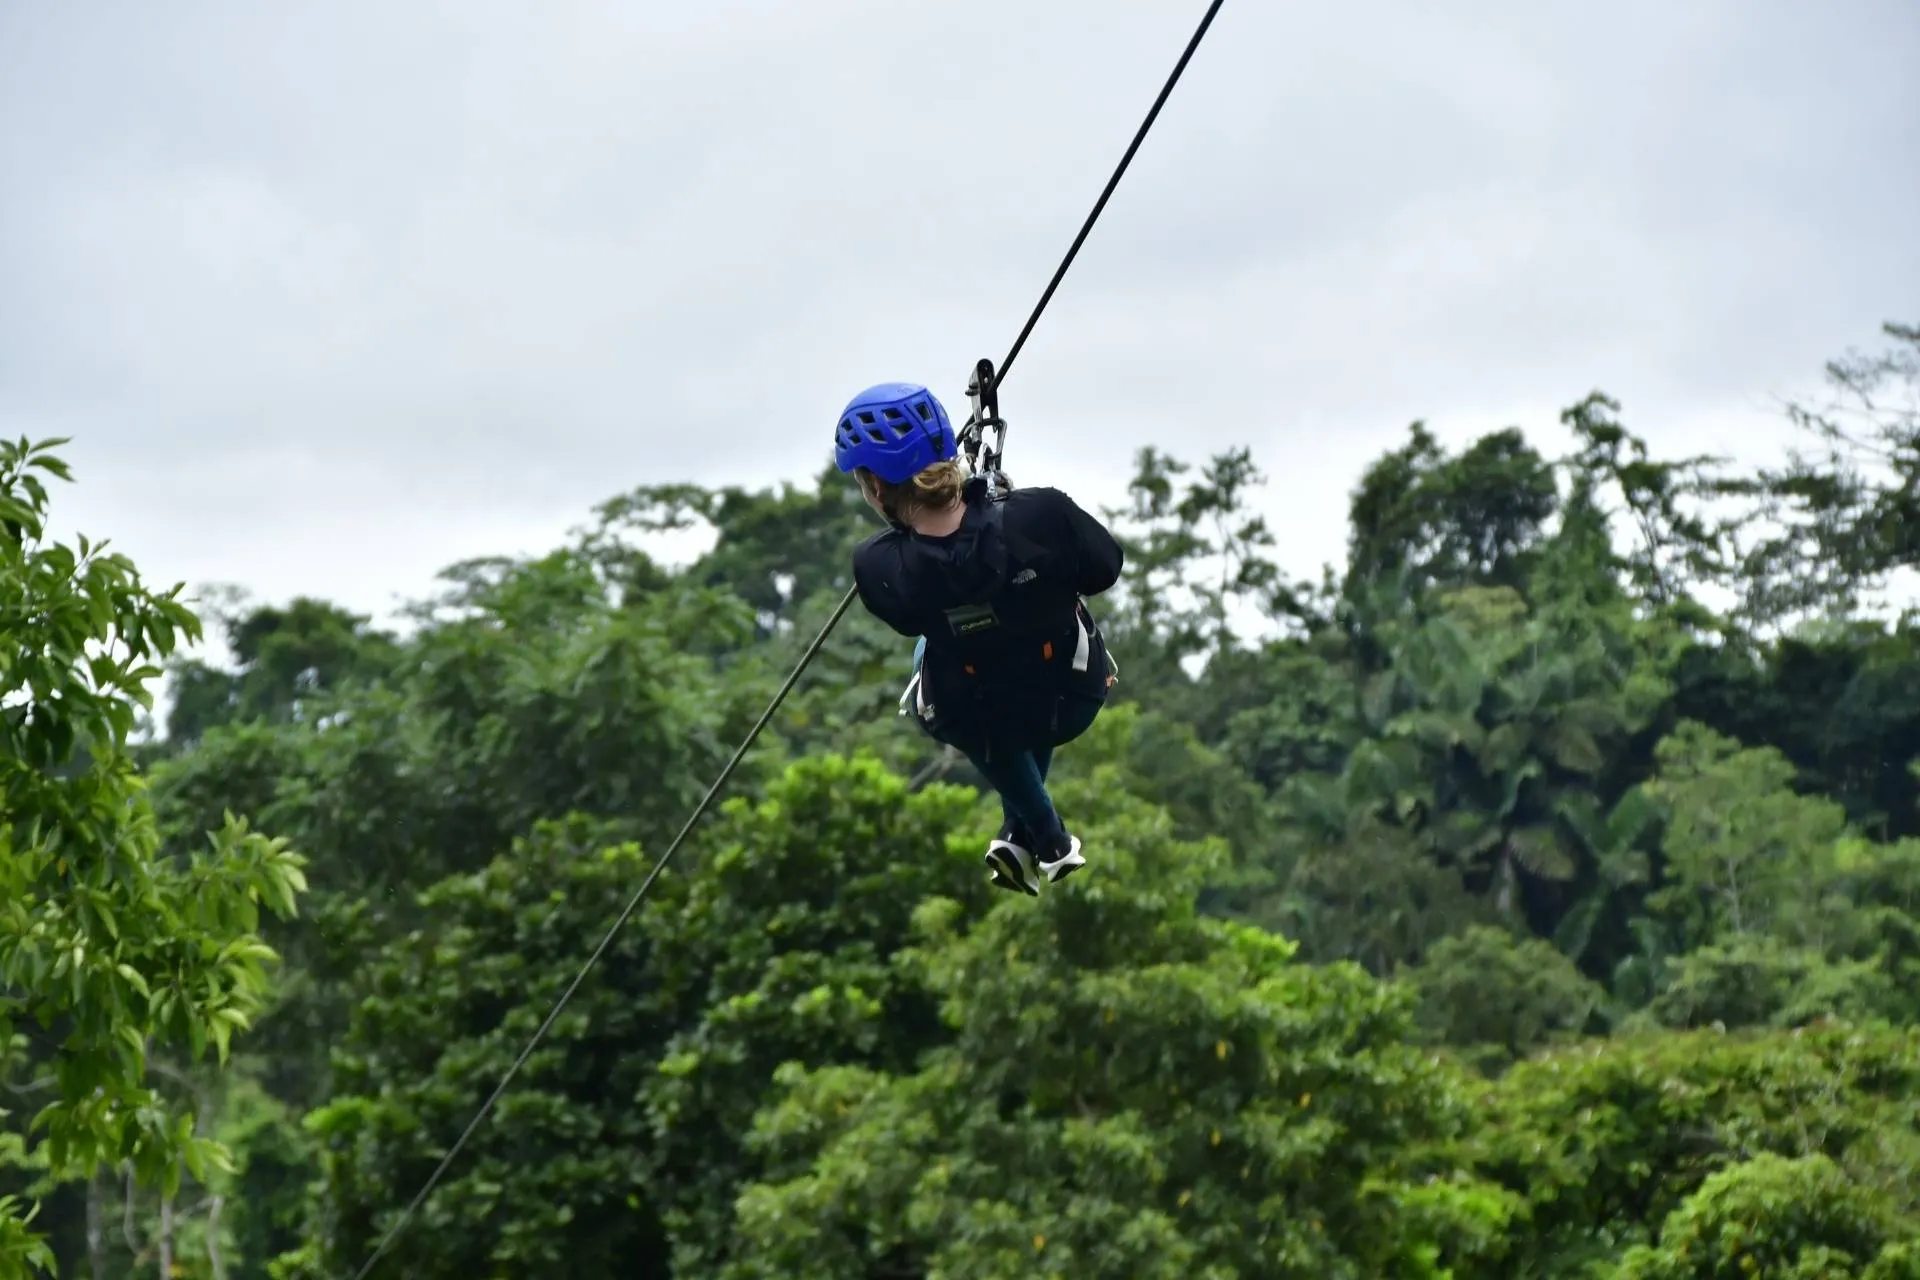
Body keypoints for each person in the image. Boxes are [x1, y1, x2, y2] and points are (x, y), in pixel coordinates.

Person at [834, 380, 1124, 895]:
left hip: (974, 716)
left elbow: (908, 614)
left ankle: (1048, 836)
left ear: (877, 488)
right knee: (1029, 658)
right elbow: (1105, 568)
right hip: (1071, 695)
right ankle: (1028, 836)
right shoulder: (1040, 515)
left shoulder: (877, 567)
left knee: (936, 654)